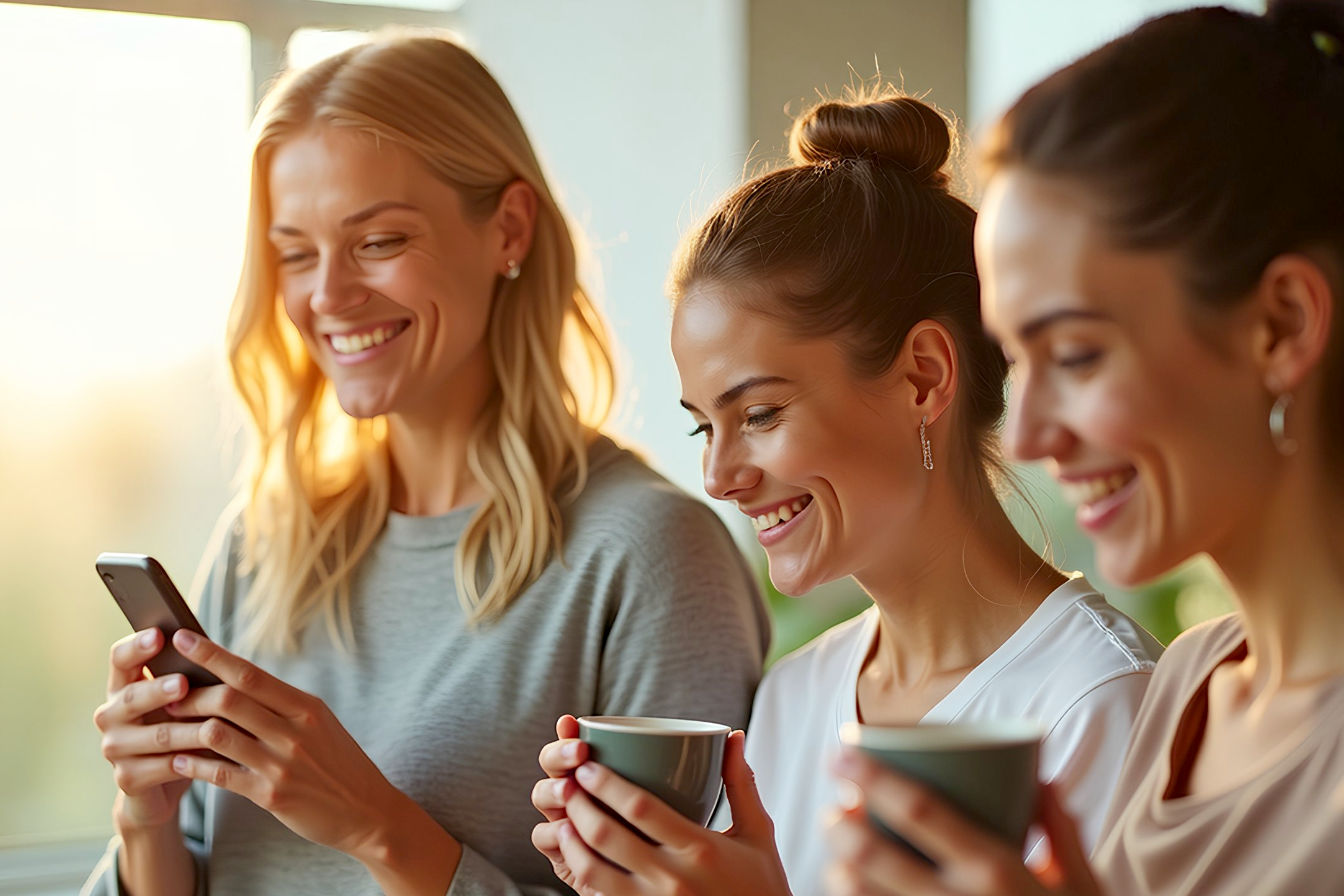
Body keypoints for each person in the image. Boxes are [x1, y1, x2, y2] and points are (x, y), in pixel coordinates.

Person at [85, 32, 769, 896]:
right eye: (295, 253)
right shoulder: (262, 546)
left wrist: (377, 826)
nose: (328, 296)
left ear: (509, 228)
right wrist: (144, 820)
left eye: (377, 241)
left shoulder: (650, 556)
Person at [528, 89, 1163, 896]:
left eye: (759, 414)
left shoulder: (1100, 704)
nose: (719, 477)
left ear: (923, 377)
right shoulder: (795, 696)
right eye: (703, 428)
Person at [823, 3, 1344, 895]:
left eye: (1075, 355)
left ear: (1281, 325)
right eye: (1018, 359)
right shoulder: (1188, 685)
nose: (1028, 436)